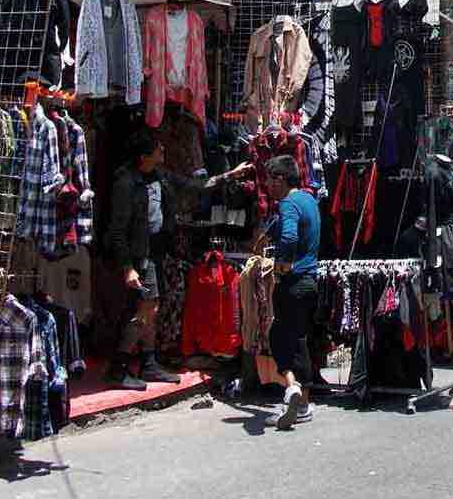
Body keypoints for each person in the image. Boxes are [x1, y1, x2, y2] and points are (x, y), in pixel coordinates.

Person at [106, 130, 252, 390]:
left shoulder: (160, 176)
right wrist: (127, 267)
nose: (163, 150)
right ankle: (118, 367)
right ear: (144, 156)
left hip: (157, 252)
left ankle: (149, 362)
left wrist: (229, 175)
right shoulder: (126, 183)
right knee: (145, 308)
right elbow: (117, 231)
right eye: (158, 149)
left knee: (153, 307)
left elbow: (193, 185)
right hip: (140, 256)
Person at [261, 154, 321, 431]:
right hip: (310, 281)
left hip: (293, 282)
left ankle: (295, 392)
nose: (267, 186)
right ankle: (299, 397)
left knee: (281, 338)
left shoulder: (288, 203)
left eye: (270, 180)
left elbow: (289, 236)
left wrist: (282, 264)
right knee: (298, 339)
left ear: (280, 179)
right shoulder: (309, 200)